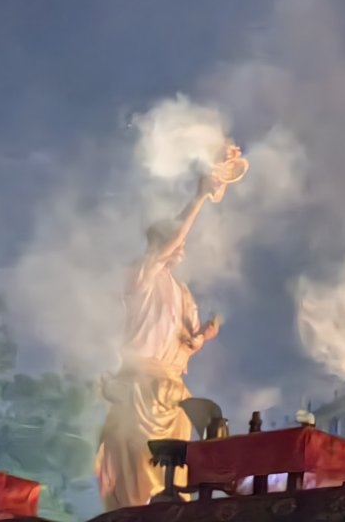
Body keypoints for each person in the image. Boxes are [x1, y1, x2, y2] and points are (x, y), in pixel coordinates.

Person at [94, 151, 236, 510]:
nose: (182, 248)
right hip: (139, 392)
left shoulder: (183, 292)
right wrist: (201, 196)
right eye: (175, 242)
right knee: (142, 481)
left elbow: (187, 345)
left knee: (175, 484)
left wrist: (204, 335)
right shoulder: (142, 274)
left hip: (173, 396)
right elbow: (172, 240)